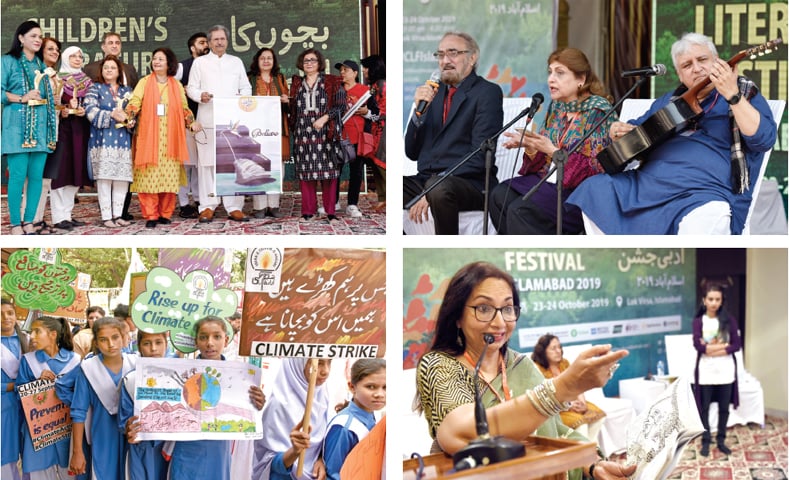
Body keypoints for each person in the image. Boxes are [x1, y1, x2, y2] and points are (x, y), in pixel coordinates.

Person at [414, 261, 635, 480]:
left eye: (508, 309)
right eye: (484, 308)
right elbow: (460, 432)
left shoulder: (522, 365)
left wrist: (594, 465)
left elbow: (555, 430)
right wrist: (563, 387)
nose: (500, 322)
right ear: (457, 317)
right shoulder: (438, 365)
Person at [568, 32, 778, 234]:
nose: (696, 69)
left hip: (703, 191)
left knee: (707, 216)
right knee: (596, 190)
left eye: (702, 59)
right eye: (687, 65)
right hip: (646, 186)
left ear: (717, 61)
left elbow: (764, 139)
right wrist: (618, 132)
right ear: (680, 74)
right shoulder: (669, 102)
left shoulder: (743, 93)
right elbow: (632, 137)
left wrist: (732, 95)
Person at [489, 48, 615, 234]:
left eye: (560, 73)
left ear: (581, 79)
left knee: (520, 210)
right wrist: (532, 146)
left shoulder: (598, 111)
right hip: (550, 181)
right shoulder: (557, 107)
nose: (551, 79)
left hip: (579, 193)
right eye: (550, 72)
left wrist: (551, 150)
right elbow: (542, 161)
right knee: (499, 195)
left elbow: (591, 170)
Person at [404, 32, 504, 235]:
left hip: (470, 184)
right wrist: (418, 114)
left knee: (438, 188)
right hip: (426, 180)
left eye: (453, 53)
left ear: (472, 57)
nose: (445, 61)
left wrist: (433, 187)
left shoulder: (487, 92)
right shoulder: (433, 92)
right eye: (440, 55)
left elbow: (480, 155)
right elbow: (412, 152)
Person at [167, 316, 265, 480]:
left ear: (226, 340)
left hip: (219, 449)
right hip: (186, 449)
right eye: (203, 337)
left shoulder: (240, 377)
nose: (210, 343)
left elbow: (247, 411)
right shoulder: (180, 373)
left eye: (217, 337)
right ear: (196, 341)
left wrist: (257, 404)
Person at [186, 25, 251, 223]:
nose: (219, 42)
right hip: (207, 119)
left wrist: (241, 98)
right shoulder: (200, 63)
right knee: (207, 165)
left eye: (222, 39)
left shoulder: (236, 62)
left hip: (232, 122)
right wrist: (200, 96)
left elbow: (246, 87)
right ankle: (207, 206)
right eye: (215, 39)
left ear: (227, 41)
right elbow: (191, 88)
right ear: (209, 42)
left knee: (232, 163)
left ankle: (234, 207)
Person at [126, 47, 196, 229]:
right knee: (148, 177)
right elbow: (135, 102)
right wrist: (129, 116)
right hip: (149, 137)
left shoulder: (176, 85)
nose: (156, 62)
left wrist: (191, 123)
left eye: (160, 59)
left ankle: (165, 214)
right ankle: (151, 215)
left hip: (171, 139)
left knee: (168, 178)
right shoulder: (144, 82)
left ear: (169, 63)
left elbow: (184, 107)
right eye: (154, 58)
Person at [2, 20, 58, 235]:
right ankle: (16, 224)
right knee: (17, 177)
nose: (38, 40)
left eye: (39, 36)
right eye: (33, 36)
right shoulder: (8, 62)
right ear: (21, 38)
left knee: (36, 177)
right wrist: (22, 98)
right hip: (17, 127)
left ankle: (29, 222)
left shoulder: (42, 67)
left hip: (41, 128)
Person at [65, 317, 137, 478]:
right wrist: (77, 451)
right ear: (96, 343)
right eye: (103, 340)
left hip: (132, 434)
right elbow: (78, 412)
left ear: (124, 338)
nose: (111, 344)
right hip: (103, 434)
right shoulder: (88, 368)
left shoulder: (136, 363)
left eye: (115, 337)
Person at [83, 32, 140, 222]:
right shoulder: (95, 88)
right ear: (101, 70)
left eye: (113, 67)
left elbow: (134, 112)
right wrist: (111, 114)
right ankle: (106, 217)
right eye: (106, 67)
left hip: (123, 140)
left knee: (122, 179)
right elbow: (90, 110)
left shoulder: (128, 91)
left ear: (118, 70)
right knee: (105, 178)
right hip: (102, 139)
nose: (109, 70)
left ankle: (118, 215)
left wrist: (131, 121)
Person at [17, 316, 81, 479]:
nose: (32, 336)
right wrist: (37, 385)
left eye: (37, 331)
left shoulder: (75, 361)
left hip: (67, 430)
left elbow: (82, 397)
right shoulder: (28, 361)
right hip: (39, 433)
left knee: (69, 472)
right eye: (32, 332)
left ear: (53, 334)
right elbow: (19, 395)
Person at [288, 48, 346, 224]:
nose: (309, 63)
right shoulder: (297, 83)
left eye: (313, 60)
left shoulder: (331, 81)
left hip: (325, 133)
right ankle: (308, 211)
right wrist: (287, 101)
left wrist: (325, 118)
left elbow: (340, 106)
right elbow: (293, 109)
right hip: (303, 134)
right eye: (306, 61)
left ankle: (330, 212)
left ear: (320, 63)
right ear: (301, 64)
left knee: (329, 173)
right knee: (306, 175)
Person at [253, 358, 332, 479]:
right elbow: (267, 463)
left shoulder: (324, 398)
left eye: (329, 362)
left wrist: (321, 459)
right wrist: (294, 452)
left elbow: (323, 443)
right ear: (298, 364)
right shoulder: (278, 406)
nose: (326, 371)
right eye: (319, 363)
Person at [692, 284, 742, 456]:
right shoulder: (699, 321)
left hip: (726, 371)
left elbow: (736, 345)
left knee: (724, 408)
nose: (714, 303)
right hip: (706, 371)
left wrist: (712, 349)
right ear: (704, 300)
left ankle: (721, 440)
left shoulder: (730, 320)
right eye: (710, 299)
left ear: (722, 301)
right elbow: (699, 347)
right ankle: (705, 440)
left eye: (717, 299)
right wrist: (722, 346)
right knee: (704, 407)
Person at [49, 46, 92, 231]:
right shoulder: (57, 79)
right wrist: (64, 110)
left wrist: (85, 110)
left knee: (76, 172)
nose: (77, 59)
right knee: (61, 173)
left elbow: (91, 103)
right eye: (72, 56)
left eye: (80, 56)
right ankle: (58, 217)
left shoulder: (87, 81)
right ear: (65, 58)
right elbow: (53, 105)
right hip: (63, 130)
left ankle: (67, 214)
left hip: (81, 129)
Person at [531, 334, 607, 440]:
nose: (558, 351)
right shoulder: (537, 368)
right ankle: (583, 452)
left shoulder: (564, 363)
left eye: (559, 347)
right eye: (553, 348)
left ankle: (590, 448)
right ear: (543, 351)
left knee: (598, 416)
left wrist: (583, 403)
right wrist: (569, 405)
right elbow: (546, 395)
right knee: (581, 424)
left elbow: (577, 384)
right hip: (557, 410)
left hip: (574, 403)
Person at [23, 36, 63, 235]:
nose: (55, 52)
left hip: (53, 130)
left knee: (46, 179)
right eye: (50, 49)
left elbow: (56, 108)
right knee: (33, 177)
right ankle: (26, 220)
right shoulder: (34, 73)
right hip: (36, 130)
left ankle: (38, 219)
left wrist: (62, 107)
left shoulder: (56, 77)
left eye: (57, 49)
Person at [323, 358, 386, 480]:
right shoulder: (344, 427)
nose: (380, 394)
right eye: (371, 387)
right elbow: (333, 474)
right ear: (352, 387)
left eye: (385, 387)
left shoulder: (374, 415)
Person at [121, 330, 170, 480]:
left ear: (166, 345)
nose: (153, 348)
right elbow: (124, 420)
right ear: (139, 347)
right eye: (147, 343)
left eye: (158, 342)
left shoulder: (179, 376)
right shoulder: (131, 380)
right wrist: (129, 429)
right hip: (143, 449)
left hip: (172, 447)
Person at [248, 47, 289, 220]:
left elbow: (288, 102)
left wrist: (286, 100)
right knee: (258, 166)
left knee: (276, 166)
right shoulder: (250, 80)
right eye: (263, 58)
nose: (266, 61)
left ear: (274, 61)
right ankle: (259, 207)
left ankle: (273, 205)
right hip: (256, 130)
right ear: (257, 61)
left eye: (269, 58)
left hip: (277, 129)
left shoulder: (279, 79)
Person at [332, 59, 375, 219]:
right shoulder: (336, 90)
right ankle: (333, 202)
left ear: (355, 73)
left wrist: (366, 112)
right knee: (335, 171)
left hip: (358, 138)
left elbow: (377, 115)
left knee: (356, 173)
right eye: (341, 70)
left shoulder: (366, 92)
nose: (342, 73)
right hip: (338, 136)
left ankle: (352, 204)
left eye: (346, 70)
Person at [175, 32, 208, 219]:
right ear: (192, 48)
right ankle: (184, 203)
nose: (206, 45)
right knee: (185, 165)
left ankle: (199, 199)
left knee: (200, 164)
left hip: (206, 121)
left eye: (206, 42)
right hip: (185, 121)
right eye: (202, 43)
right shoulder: (182, 67)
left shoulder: (211, 66)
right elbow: (171, 85)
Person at [1, 298, 30, 480]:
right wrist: (13, 386)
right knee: (6, 453)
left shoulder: (28, 340)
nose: (5, 318)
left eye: (9, 313)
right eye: (0, 314)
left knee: (30, 451)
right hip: (4, 405)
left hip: (29, 404)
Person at [360, 54, 386, 212]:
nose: (363, 71)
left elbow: (385, 110)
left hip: (383, 130)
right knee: (375, 165)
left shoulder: (383, 85)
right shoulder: (374, 86)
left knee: (383, 164)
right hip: (374, 129)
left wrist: (367, 112)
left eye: (366, 67)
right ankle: (383, 198)